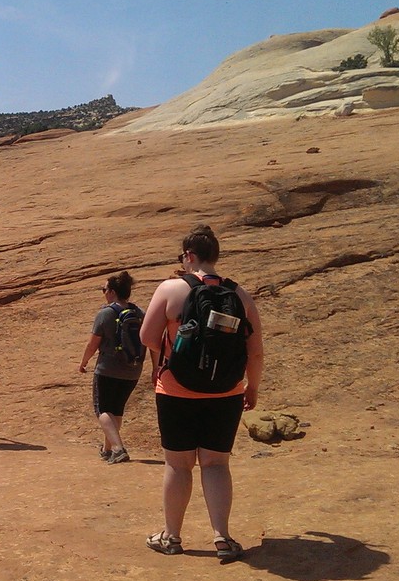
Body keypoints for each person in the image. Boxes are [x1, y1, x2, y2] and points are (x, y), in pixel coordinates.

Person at [139, 225, 263, 562]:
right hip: (226, 392)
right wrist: (251, 387)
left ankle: (172, 537)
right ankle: (222, 537)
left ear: (189, 255)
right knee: (216, 464)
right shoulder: (239, 295)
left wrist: (171, 351)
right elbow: (255, 352)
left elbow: (147, 337)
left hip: (176, 390)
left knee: (178, 466)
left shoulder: (170, 289)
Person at [78, 271, 144, 464]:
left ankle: (118, 448)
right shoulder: (140, 313)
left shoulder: (106, 313)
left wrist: (83, 362)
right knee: (117, 410)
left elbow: (92, 344)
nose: (104, 293)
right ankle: (107, 448)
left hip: (108, 369)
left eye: (104, 289)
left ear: (112, 292)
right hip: (133, 370)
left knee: (103, 410)